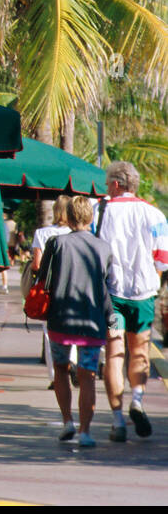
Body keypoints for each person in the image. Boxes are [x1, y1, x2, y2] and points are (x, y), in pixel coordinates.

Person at [96, 161, 168, 441]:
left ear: (115, 183)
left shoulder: (99, 211)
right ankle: (137, 400)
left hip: (112, 295)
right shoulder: (155, 214)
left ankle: (117, 421)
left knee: (114, 353)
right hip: (143, 295)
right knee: (140, 351)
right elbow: (162, 261)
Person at [38, 196, 114, 448]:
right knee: (88, 376)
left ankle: (67, 421)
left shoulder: (56, 243)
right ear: (90, 218)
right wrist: (111, 318)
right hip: (92, 321)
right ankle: (85, 432)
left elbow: (43, 280)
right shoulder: (104, 248)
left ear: (67, 217)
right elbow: (106, 286)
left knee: (60, 368)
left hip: (60, 319)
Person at [26, 195, 71, 388]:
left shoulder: (42, 233)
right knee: (73, 330)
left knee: (49, 333)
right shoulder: (75, 233)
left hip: (49, 289)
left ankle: (55, 377)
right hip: (71, 287)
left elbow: (36, 265)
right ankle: (72, 366)